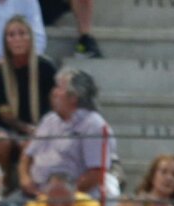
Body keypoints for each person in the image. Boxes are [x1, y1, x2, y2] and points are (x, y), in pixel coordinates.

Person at [19, 66, 116, 199]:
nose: (53, 92)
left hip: (70, 200)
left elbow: (96, 174)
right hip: (34, 193)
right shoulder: (49, 120)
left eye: (59, 88)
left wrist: (58, 195)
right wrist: (24, 178)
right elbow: (27, 155)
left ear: (73, 97)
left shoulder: (94, 126)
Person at [0, 15, 55, 179]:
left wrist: (38, 129)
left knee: (29, 144)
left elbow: (53, 106)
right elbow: (2, 113)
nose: (17, 39)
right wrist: (25, 128)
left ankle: (29, 185)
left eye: (22, 33)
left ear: (31, 38)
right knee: (2, 141)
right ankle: (3, 185)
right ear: (5, 41)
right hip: (7, 126)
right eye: (11, 35)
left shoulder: (46, 68)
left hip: (41, 125)